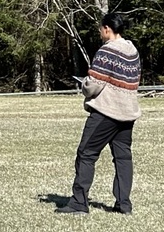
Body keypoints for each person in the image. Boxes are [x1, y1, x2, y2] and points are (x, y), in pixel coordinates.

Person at [59, 11, 141, 216]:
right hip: (127, 112)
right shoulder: (133, 51)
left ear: (107, 29)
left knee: (86, 154)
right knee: (123, 158)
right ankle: (123, 204)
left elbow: (94, 85)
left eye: (100, 29)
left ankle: (79, 202)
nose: (99, 33)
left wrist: (84, 85)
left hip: (106, 111)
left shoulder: (107, 51)